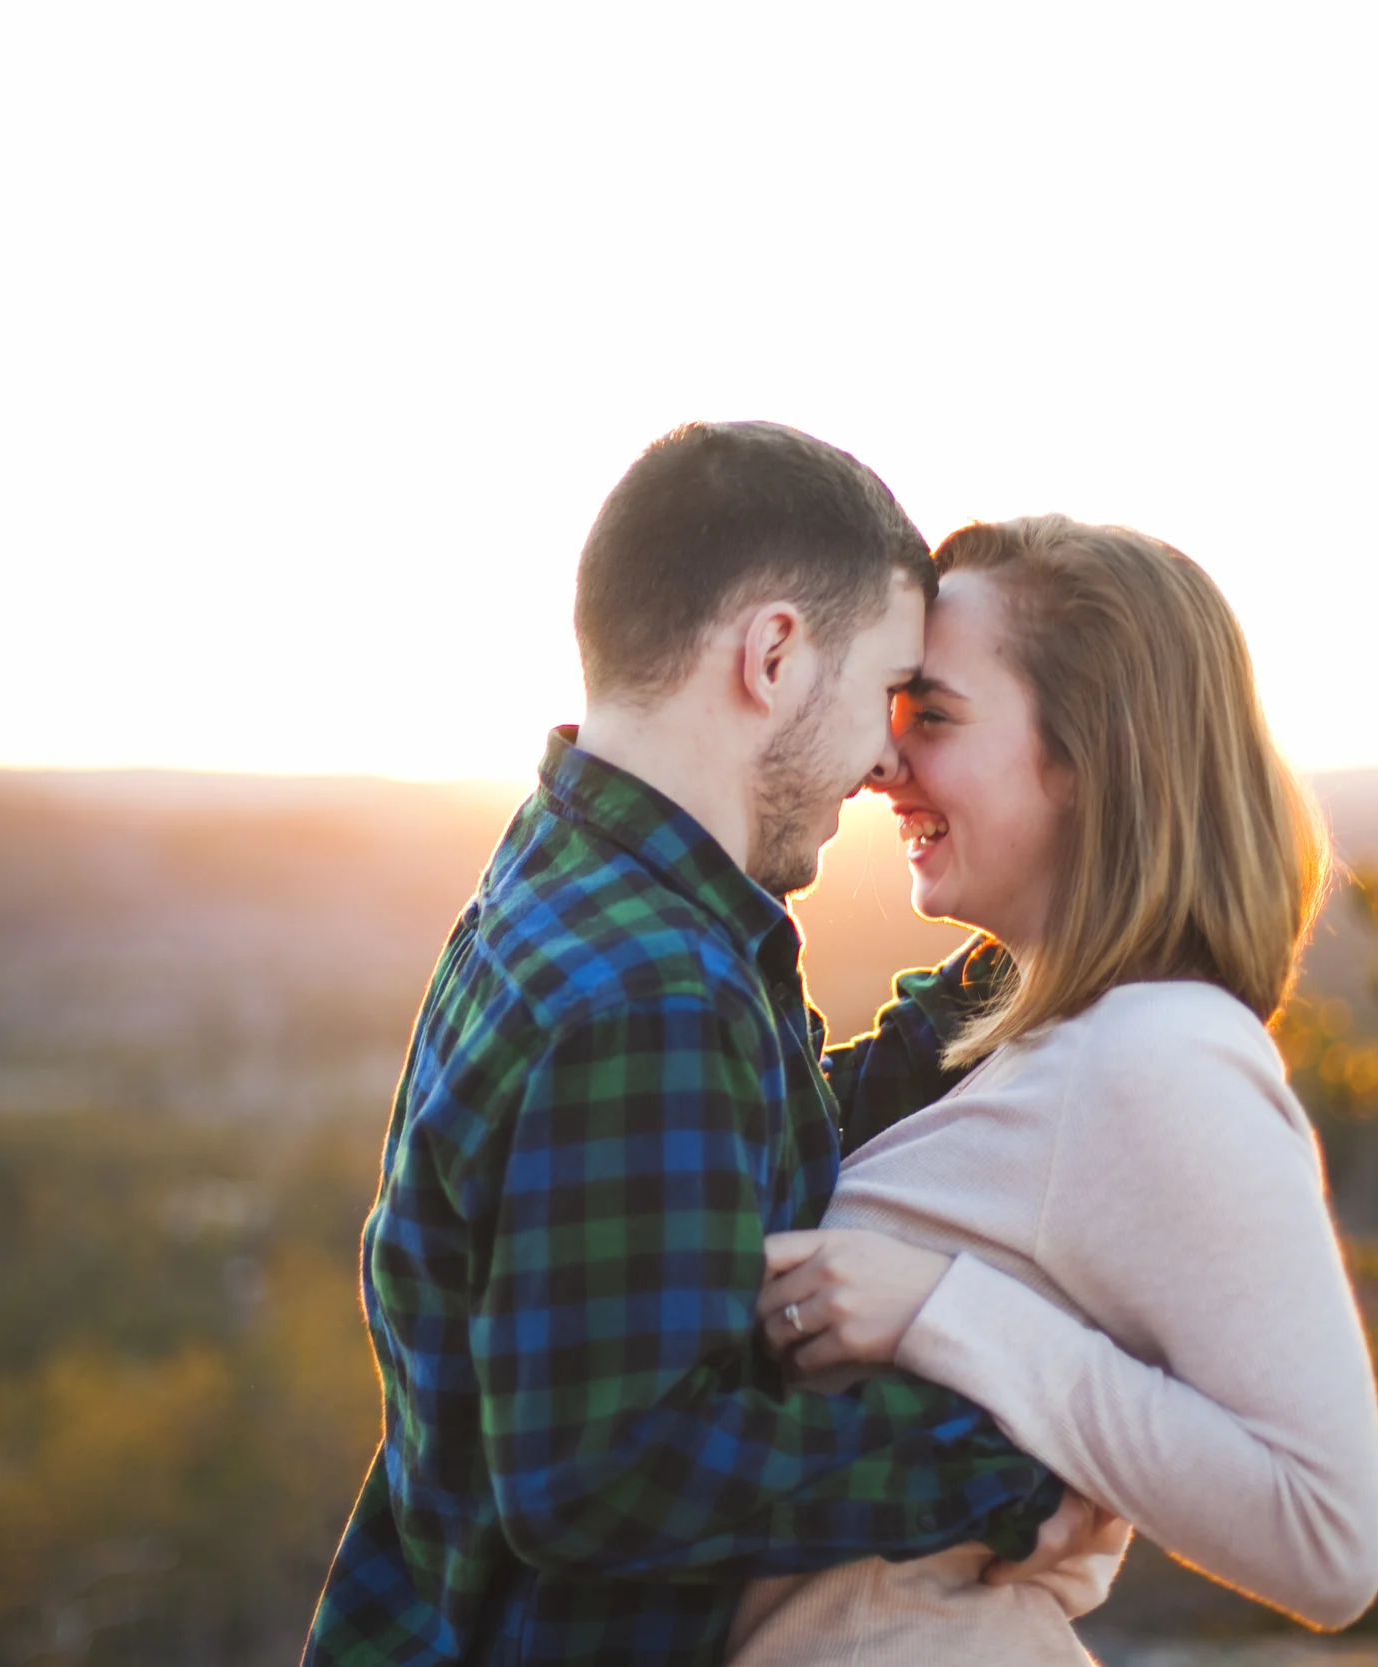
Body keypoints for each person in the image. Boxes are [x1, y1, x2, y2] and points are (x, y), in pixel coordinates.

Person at [302, 426, 1101, 1667]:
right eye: (888, 689)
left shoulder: (584, 880)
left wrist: (1044, 948)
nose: (887, 757)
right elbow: (615, 1473)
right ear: (773, 654)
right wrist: (998, 1468)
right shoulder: (650, 993)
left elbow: (743, 1151)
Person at [729, 515, 1378, 1664]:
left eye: (933, 715)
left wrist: (945, 1310)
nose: (885, 764)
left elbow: (1327, 1534)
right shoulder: (1032, 1037)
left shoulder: (1160, 1054)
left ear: (1090, 757)